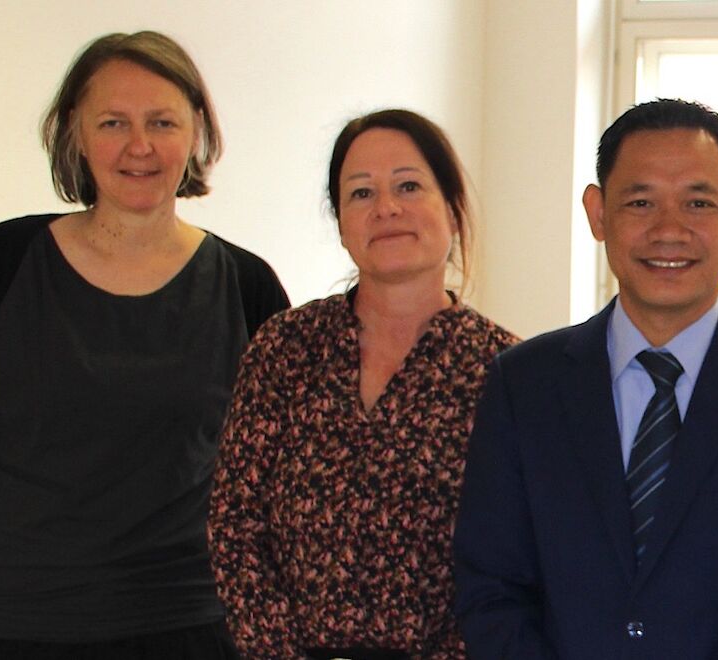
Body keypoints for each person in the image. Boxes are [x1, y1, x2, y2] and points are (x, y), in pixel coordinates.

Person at [453, 98, 718, 658]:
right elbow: (492, 587)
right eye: (640, 202)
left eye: (698, 202)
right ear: (598, 214)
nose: (669, 230)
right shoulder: (523, 384)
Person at [0, 31, 289, 658]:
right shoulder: (0, 263)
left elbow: (281, 466)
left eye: (162, 121)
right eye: (114, 121)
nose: (139, 146)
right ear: (75, 131)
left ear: (196, 131)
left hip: (190, 626)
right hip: (6, 626)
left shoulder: (247, 287)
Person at [209, 109, 516, 659]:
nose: (387, 208)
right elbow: (236, 530)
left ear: (450, 208)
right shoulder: (284, 348)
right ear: (342, 222)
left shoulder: (507, 372)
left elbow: (518, 559)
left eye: (408, 185)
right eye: (361, 193)